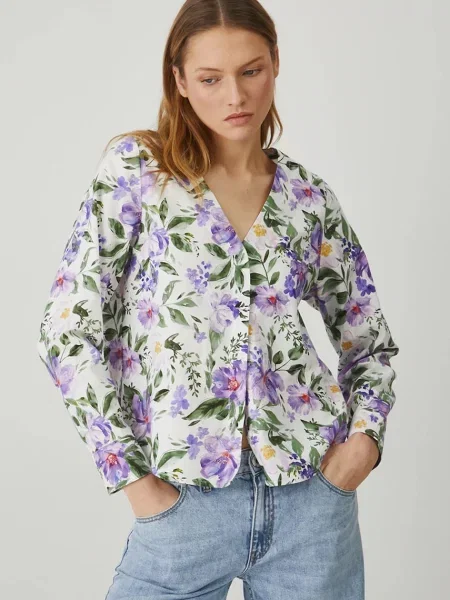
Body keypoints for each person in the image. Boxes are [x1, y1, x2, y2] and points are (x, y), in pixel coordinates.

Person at [36, 1, 399, 598]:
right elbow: (66, 330)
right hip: (182, 505)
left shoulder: (308, 198)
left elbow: (370, 342)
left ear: (275, 63)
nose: (236, 96)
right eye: (210, 78)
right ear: (179, 80)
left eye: (251, 70)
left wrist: (363, 443)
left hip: (312, 504)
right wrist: (132, 478)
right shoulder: (139, 174)